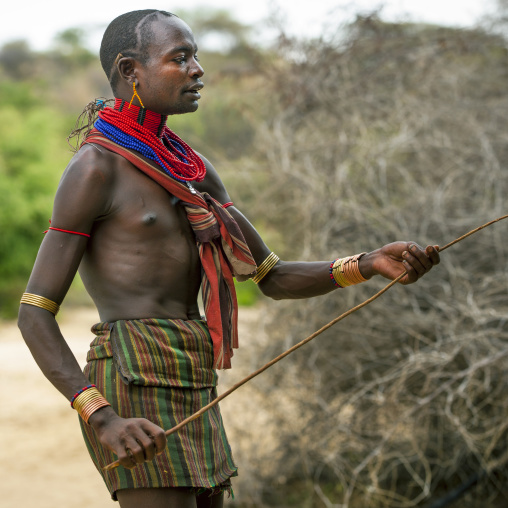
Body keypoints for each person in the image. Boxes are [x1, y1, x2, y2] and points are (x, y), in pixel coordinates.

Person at [17, 9, 440, 508]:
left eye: (195, 56)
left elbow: (272, 276)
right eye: (181, 58)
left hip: (193, 371)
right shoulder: (94, 169)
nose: (198, 70)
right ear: (131, 71)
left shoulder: (192, 170)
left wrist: (368, 264)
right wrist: (102, 416)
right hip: (131, 374)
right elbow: (34, 312)